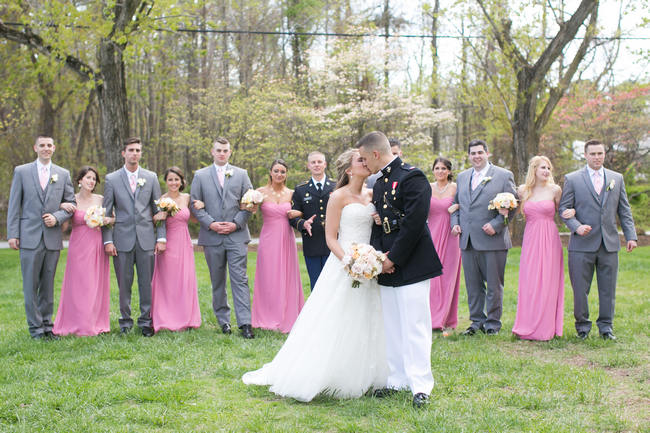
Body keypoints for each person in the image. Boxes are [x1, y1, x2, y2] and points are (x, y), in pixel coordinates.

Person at [242, 149, 388, 401]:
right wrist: (350, 262)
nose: (366, 163)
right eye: (360, 160)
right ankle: (329, 373)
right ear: (349, 170)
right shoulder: (338, 196)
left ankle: (371, 375)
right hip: (345, 263)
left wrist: (370, 258)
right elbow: (331, 237)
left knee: (369, 316)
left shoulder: (373, 194)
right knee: (334, 316)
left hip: (369, 264)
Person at [357, 131, 442, 409]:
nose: (363, 163)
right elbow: (381, 224)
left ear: (376, 154)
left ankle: (421, 386)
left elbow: (414, 224)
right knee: (393, 326)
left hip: (412, 262)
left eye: (364, 158)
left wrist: (394, 257)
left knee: (415, 325)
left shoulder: (412, 177)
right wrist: (379, 259)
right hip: (387, 264)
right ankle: (397, 380)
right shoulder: (380, 182)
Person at [559, 139, 637, 340]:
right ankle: (582, 328)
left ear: (605, 154)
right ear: (585, 155)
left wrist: (631, 236)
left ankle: (606, 328)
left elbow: (624, 210)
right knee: (580, 290)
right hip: (581, 245)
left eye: (600, 153)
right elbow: (564, 210)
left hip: (609, 243)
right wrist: (577, 227)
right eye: (592, 154)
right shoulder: (573, 179)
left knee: (607, 289)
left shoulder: (616, 178)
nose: (596, 157)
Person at [7, 135, 76, 339]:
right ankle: (35, 329)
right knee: (30, 285)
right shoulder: (22, 171)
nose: (46, 148)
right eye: (42, 145)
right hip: (29, 236)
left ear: (54, 148)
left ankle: (47, 326)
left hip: (52, 238)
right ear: (35, 148)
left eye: (49, 145)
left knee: (47, 285)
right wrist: (13, 234)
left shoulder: (62, 174)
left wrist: (57, 217)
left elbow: (71, 204)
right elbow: (14, 204)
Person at [450, 139, 517, 336]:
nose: (477, 156)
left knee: (494, 286)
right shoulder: (462, 177)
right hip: (468, 240)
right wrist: (455, 223)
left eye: (480, 152)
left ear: (487, 154)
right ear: (469, 156)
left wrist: (496, 225)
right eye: (473, 153)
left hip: (492, 240)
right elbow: (456, 205)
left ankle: (493, 324)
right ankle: (476, 322)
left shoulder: (503, 176)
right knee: (472, 285)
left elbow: (512, 206)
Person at [190, 137, 255, 339]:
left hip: (236, 235)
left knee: (240, 280)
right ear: (212, 151)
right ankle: (224, 321)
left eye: (225, 150)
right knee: (217, 281)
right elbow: (195, 204)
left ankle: (245, 323)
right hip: (212, 236)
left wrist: (236, 223)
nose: (221, 153)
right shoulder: (200, 176)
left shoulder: (242, 174)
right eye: (218, 150)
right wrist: (211, 223)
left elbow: (250, 203)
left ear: (230, 152)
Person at [102, 137, 166, 337]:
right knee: (124, 284)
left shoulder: (151, 177)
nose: (135, 153)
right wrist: (108, 240)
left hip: (146, 238)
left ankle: (146, 321)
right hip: (121, 239)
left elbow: (160, 211)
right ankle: (125, 322)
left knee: (146, 283)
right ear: (123, 153)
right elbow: (106, 212)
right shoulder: (111, 179)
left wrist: (161, 237)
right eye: (131, 150)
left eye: (138, 150)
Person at [53, 166, 113, 336]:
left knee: (95, 284)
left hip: (97, 246)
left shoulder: (101, 199)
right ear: (80, 180)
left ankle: (95, 322)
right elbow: (64, 226)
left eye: (94, 179)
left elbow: (112, 219)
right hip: (78, 246)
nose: (91, 181)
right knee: (79, 285)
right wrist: (61, 206)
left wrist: (109, 219)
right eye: (88, 178)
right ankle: (75, 323)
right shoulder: (72, 200)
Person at [511, 156, 566, 341]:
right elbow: (512, 211)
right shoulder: (523, 191)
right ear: (534, 169)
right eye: (543, 167)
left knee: (548, 282)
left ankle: (546, 327)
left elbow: (564, 212)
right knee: (530, 282)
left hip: (550, 238)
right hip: (531, 239)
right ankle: (527, 324)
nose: (547, 171)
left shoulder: (555, 190)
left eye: (549, 167)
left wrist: (572, 213)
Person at [251, 159, 305, 333]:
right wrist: (250, 205)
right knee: (268, 276)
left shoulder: (292, 193)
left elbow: (301, 211)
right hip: (268, 239)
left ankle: (287, 314)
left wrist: (298, 213)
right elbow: (249, 209)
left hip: (286, 238)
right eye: (276, 171)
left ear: (286, 174)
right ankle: (266, 315)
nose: (279, 174)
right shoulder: (260, 192)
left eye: (283, 171)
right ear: (270, 172)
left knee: (286, 275)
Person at [150, 167, 202, 333]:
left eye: (176, 179)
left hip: (184, 242)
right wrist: (156, 219)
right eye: (170, 179)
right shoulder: (161, 200)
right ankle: (166, 317)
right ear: (166, 182)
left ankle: (185, 317)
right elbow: (156, 221)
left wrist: (201, 205)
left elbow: (194, 218)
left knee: (184, 279)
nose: (173, 182)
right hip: (167, 243)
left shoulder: (187, 198)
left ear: (181, 181)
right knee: (167, 281)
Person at [289, 151, 335, 291]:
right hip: (311, 244)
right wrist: (303, 223)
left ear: (325, 164)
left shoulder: (336, 186)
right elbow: (292, 216)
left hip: (333, 244)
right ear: (308, 165)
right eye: (313, 162)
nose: (316, 165)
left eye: (319, 162)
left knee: (333, 286)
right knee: (316, 286)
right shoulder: (300, 190)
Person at [427, 157, 461, 334]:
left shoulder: (455, 188)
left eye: (443, 168)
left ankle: (445, 318)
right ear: (433, 170)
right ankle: (431, 316)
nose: (440, 171)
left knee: (447, 276)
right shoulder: (427, 188)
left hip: (450, 236)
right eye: (437, 168)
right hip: (431, 234)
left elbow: (464, 205)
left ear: (449, 171)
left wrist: (457, 206)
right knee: (432, 277)